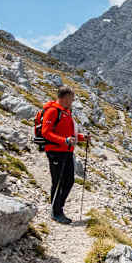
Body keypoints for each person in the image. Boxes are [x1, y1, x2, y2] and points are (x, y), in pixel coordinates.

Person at [41, 86, 85, 224]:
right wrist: (64, 140)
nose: (72, 101)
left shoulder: (66, 112)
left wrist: (82, 137)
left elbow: (69, 134)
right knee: (58, 182)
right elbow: (46, 132)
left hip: (67, 151)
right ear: (65, 98)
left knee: (69, 181)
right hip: (55, 152)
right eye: (71, 98)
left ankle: (59, 208)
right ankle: (56, 212)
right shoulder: (53, 111)